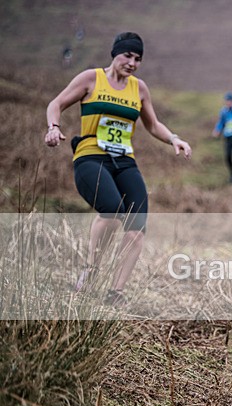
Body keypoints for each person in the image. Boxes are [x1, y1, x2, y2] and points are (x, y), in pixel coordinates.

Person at [44, 32, 192, 306]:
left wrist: (174, 138)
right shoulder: (92, 79)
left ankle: (116, 293)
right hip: (91, 158)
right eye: (128, 55)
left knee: (137, 227)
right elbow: (56, 104)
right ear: (115, 54)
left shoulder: (140, 88)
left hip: (124, 161)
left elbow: (152, 125)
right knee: (112, 212)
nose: (133, 63)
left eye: (138, 59)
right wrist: (54, 127)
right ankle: (90, 272)